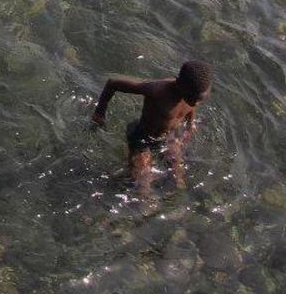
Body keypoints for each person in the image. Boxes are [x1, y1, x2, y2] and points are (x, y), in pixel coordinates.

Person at [91, 60, 213, 194]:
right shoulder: (157, 90)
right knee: (143, 184)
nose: (196, 103)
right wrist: (99, 113)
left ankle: (174, 199)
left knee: (178, 176)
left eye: (200, 99)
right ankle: (110, 183)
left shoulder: (192, 95)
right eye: (192, 98)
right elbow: (112, 83)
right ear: (179, 84)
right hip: (142, 138)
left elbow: (191, 107)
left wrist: (191, 124)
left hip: (167, 137)